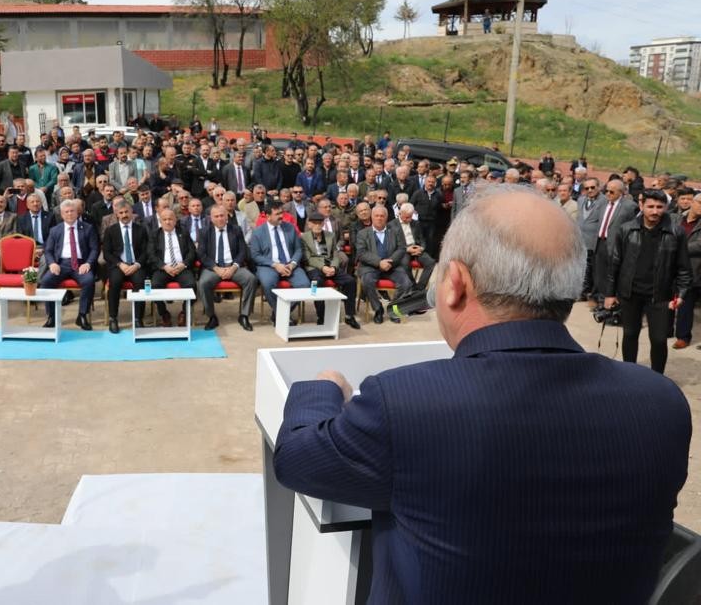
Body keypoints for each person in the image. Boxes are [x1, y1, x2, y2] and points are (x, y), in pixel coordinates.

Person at [273, 186, 691, 604]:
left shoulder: (406, 404)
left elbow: (297, 459)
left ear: (454, 283)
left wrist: (324, 385)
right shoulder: (661, 404)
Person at [604, 190, 691, 375]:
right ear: (641, 205)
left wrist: (681, 294)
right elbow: (615, 263)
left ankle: (657, 378)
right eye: (650, 206)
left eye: (660, 207)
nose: (655, 211)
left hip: (661, 295)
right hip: (630, 293)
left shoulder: (676, 232)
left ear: (666, 208)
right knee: (630, 334)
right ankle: (630, 373)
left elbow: (684, 268)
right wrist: (610, 294)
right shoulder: (626, 229)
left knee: (659, 340)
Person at [196, 204, 258, 331]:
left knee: (251, 279)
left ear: (227, 217)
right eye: (216, 216)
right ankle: (211, 316)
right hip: (213, 268)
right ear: (211, 218)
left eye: (222, 215)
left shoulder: (236, 229)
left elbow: (242, 251)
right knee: (203, 283)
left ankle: (244, 315)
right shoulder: (204, 232)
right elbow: (202, 254)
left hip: (233, 266)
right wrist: (216, 268)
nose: (220, 219)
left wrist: (233, 267)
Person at [41, 199, 98, 330]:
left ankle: (82, 315)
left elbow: (95, 249)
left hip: (81, 264)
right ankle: (52, 317)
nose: (70, 214)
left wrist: (88, 263)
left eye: (72, 211)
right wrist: (52, 263)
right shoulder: (55, 230)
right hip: (61, 264)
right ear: (62, 214)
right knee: (46, 281)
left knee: (89, 281)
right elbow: (48, 250)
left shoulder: (88, 228)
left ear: (77, 213)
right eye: (66, 212)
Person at [249, 203, 309, 324]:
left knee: (305, 285)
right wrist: (275, 265)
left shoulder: (290, 228)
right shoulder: (258, 232)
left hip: (290, 265)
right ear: (268, 216)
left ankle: (279, 313)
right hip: (269, 265)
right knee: (268, 283)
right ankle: (283, 315)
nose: (281, 216)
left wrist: (292, 264)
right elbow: (255, 255)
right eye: (277, 214)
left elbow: (298, 249)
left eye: (281, 213)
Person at [300, 214, 361, 329]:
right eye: (314, 223)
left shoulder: (330, 236)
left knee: (350, 281)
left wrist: (333, 267)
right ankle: (321, 316)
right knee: (316, 283)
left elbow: (335, 254)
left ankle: (349, 315)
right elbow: (307, 258)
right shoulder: (304, 238)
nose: (317, 226)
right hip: (314, 267)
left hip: (330, 266)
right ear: (309, 224)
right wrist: (323, 267)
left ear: (323, 224)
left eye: (320, 223)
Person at [355, 204, 411, 324]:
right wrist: (379, 262)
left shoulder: (395, 231)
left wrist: (390, 261)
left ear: (386, 217)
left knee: (406, 283)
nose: (379, 218)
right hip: (370, 267)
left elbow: (402, 248)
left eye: (382, 216)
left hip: (392, 266)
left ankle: (393, 309)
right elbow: (361, 253)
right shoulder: (362, 234)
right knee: (367, 281)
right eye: (376, 216)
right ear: (372, 217)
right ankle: (378, 309)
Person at [101, 199, 149, 334]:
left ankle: (138, 318)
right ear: (117, 214)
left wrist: (137, 264)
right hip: (118, 265)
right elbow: (107, 253)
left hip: (136, 265)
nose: (124, 215)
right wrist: (120, 264)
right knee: (115, 282)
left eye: (126, 212)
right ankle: (113, 318)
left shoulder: (141, 230)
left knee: (140, 283)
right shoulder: (111, 231)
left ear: (131, 212)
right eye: (121, 213)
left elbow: (146, 251)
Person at [147, 208, 197, 327]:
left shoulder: (183, 232)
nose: (168, 222)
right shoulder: (155, 234)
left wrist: (183, 264)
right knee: (155, 286)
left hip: (182, 268)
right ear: (160, 221)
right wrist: (164, 266)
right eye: (164, 219)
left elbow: (192, 252)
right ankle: (164, 313)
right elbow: (151, 254)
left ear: (175, 220)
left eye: (170, 219)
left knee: (192, 285)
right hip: (163, 268)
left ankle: (184, 312)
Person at [674, 193, 701, 350]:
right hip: (677, 268)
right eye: (700, 203)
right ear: (693, 203)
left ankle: (683, 336)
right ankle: (676, 334)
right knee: (678, 302)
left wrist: (677, 247)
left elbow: (699, 245)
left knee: (687, 303)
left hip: (695, 269)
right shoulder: (678, 218)